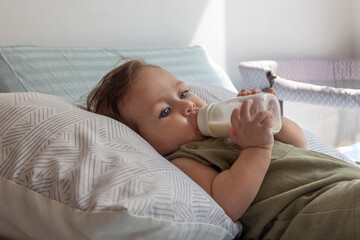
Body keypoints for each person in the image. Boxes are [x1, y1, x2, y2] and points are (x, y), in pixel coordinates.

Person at [87, 59, 360, 239]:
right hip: (306, 212)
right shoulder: (185, 158)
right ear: (144, 141)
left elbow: (298, 143)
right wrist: (256, 149)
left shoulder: (231, 127)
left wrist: (271, 120)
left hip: (343, 182)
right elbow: (227, 203)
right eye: (166, 111)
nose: (188, 106)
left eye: (183, 93)